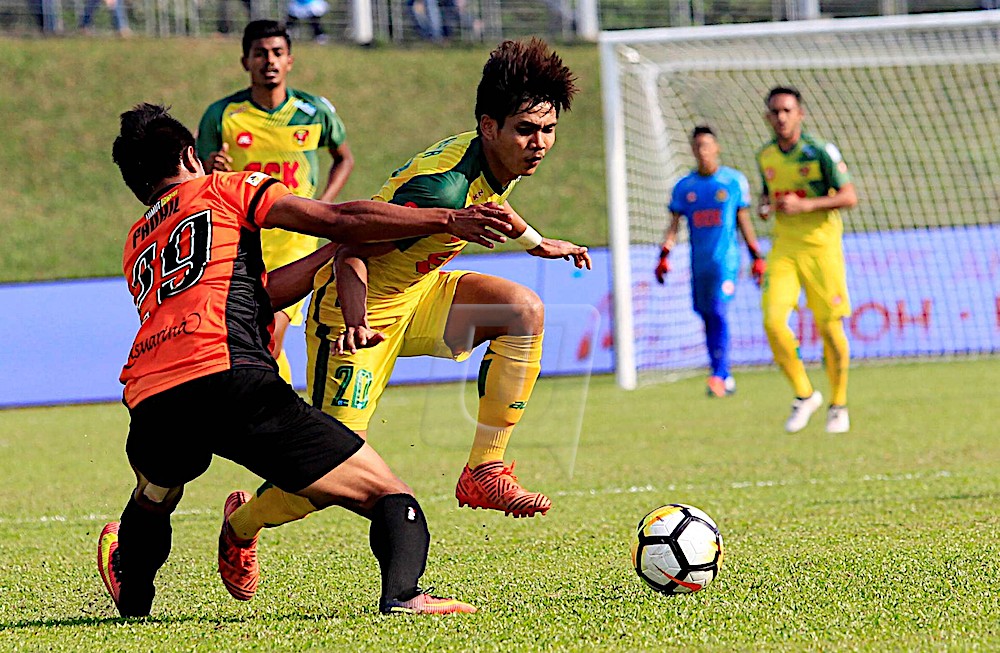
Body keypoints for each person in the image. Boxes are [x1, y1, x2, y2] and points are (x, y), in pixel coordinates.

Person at [97, 103, 514, 617]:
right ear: (189, 155)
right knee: (389, 495)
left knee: (156, 493)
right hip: (232, 379)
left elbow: (254, 297)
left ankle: (133, 596)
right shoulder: (225, 188)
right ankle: (404, 595)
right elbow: (338, 219)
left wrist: (330, 256)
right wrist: (450, 218)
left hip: (151, 395)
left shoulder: (137, 241)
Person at [223, 38, 589, 543]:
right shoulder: (441, 188)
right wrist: (357, 322)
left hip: (419, 295)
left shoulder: (498, 158)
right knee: (329, 472)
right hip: (355, 314)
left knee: (521, 311)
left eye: (548, 129)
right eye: (527, 129)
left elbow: (492, 202)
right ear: (489, 126)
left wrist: (537, 243)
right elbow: (350, 251)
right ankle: (241, 525)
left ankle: (485, 470)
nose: (540, 143)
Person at [197, 19, 354, 385]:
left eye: (277, 53)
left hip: (294, 244)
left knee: (270, 333)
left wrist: (321, 207)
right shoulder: (222, 114)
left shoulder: (313, 111)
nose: (269, 60)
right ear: (245, 61)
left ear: (289, 61)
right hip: (241, 243)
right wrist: (211, 168)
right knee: (251, 337)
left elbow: (344, 157)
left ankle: (273, 411)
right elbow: (199, 178)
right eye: (260, 53)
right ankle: (279, 404)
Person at [756, 85, 857, 434]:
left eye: (787, 110)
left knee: (829, 328)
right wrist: (766, 207)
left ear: (800, 114)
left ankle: (838, 404)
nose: (781, 117)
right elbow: (766, 196)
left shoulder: (820, 151)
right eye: (775, 112)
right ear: (767, 117)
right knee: (772, 321)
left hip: (821, 248)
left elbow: (849, 196)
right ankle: (804, 394)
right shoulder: (765, 156)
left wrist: (806, 205)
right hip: (784, 249)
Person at [655, 125, 766, 398]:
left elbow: (743, 220)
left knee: (718, 311)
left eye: (706, 145)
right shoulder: (685, 187)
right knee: (706, 314)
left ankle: (719, 374)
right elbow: (674, 224)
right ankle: (723, 375)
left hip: (726, 262)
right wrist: (664, 256)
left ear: (716, 147)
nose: (702, 151)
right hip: (699, 263)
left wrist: (756, 256)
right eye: (697, 146)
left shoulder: (732, 182)